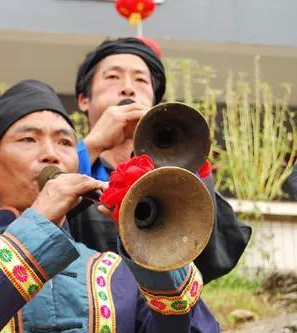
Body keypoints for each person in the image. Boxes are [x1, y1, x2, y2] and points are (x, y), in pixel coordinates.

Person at [0, 79, 221, 333]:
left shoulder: (118, 272)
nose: (51, 155)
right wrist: (36, 226)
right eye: (28, 139)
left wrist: (156, 254)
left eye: (66, 143)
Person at [70, 37, 251, 283]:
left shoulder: (174, 178)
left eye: (141, 80)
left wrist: (190, 155)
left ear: (154, 102)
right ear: (84, 99)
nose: (128, 88)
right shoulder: (68, 161)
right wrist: (92, 145)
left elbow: (213, 256)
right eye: (112, 77)